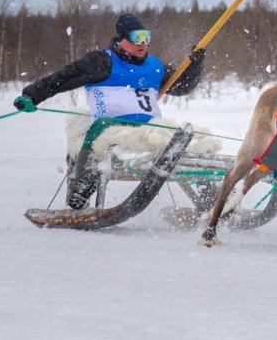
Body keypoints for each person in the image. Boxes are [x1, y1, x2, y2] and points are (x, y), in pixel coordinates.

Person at [12, 13, 206, 209]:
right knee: (102, 126)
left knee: (192, 136)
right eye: (136, 37)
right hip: (113, 128)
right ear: (121, 39)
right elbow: (62, 78)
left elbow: (183, 86)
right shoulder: (102, 61)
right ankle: (85, 183)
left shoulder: (155, 66)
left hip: (149, 130)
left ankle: (211, 199)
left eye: (146, 37)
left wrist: (196, 66)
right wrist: (31, 96)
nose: (143, 43)